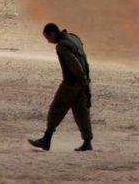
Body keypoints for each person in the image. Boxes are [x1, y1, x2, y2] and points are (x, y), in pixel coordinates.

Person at [29, 23, 93, 152]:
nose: (48, 41)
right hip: (81, 83)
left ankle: (46, 140)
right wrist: (85, 82)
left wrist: (82, 80)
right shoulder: (74, 38)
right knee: (81, 112)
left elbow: (75, 65)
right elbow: (84, 60)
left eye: (48, 38)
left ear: (53, 33)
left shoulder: (62, 46)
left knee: (56, 109)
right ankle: (87, 142)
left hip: (71, 84)